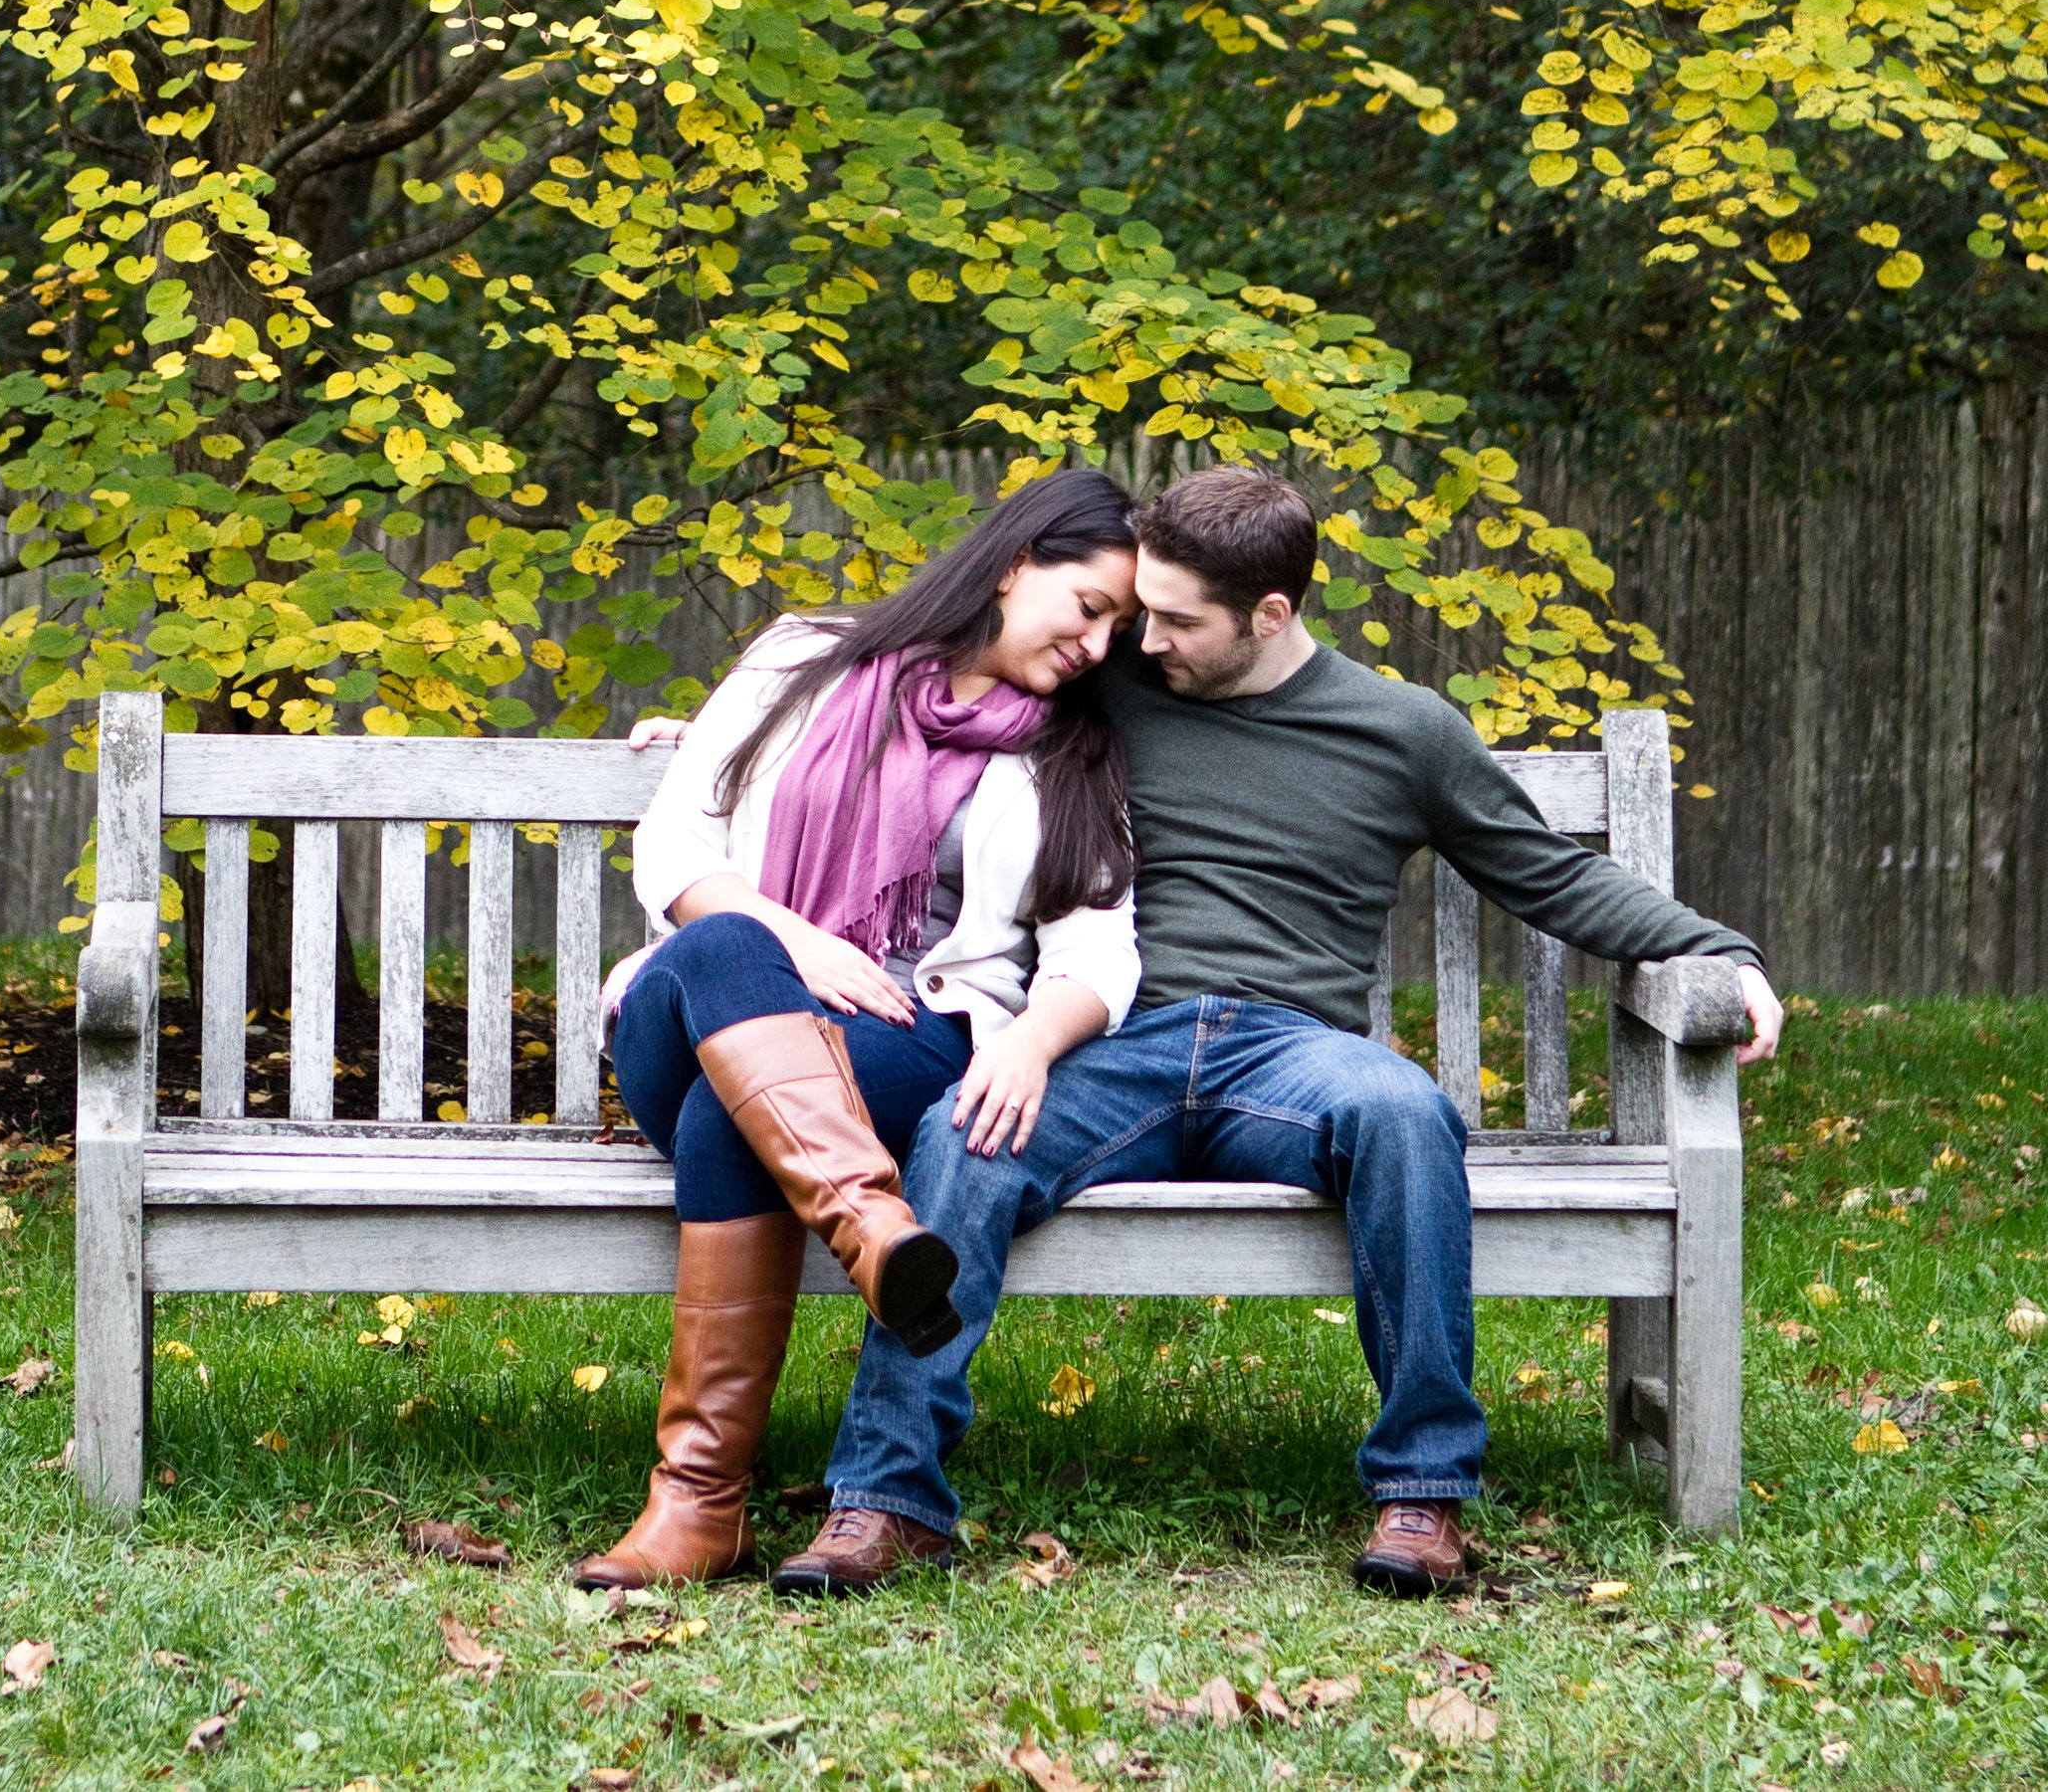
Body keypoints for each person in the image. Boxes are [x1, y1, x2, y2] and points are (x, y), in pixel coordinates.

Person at [772, 463, 1786, 1603]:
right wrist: (743, 746)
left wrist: (1719, 952)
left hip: (1290, 1056)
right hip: (1116, 1044)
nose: (1141, 638)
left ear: (1270, 614)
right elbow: (929, 681)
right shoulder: (1110, 686)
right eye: (1138, 606)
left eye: (1176, 619)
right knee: (968, 1129)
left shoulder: (1402, 731)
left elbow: (1544, 874)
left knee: (1406, 1115)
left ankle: (1424, 1495)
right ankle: (888, 1501)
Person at [573, 470, 1143, 1592]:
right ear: (1017, 562)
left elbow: (1097, 956)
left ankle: (697, 1508)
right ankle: (877, 1231)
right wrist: (802, 947)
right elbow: (677, 849)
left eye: (1119, 628)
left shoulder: (1067, 755)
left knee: (727, 1120)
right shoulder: (802, 662)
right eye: (1088, 606)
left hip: (907, 1033)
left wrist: (1028, 1041)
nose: (1097, 642)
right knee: (723, 949)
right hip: (695, 1004)